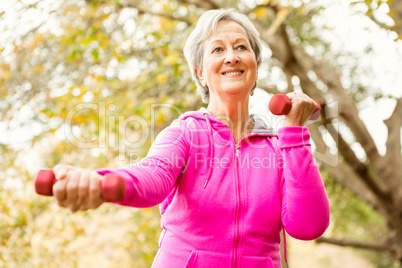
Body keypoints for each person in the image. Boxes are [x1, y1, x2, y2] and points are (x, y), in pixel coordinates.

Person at [52, 8, 330, 268]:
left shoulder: (278, 149)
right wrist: (103, 183)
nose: (231, 56)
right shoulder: (184, 134)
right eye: (218, 49)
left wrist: (293, 131)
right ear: (200, 71)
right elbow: (151, 176)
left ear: (255, 65)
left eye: (241, 47)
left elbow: (307, 226)